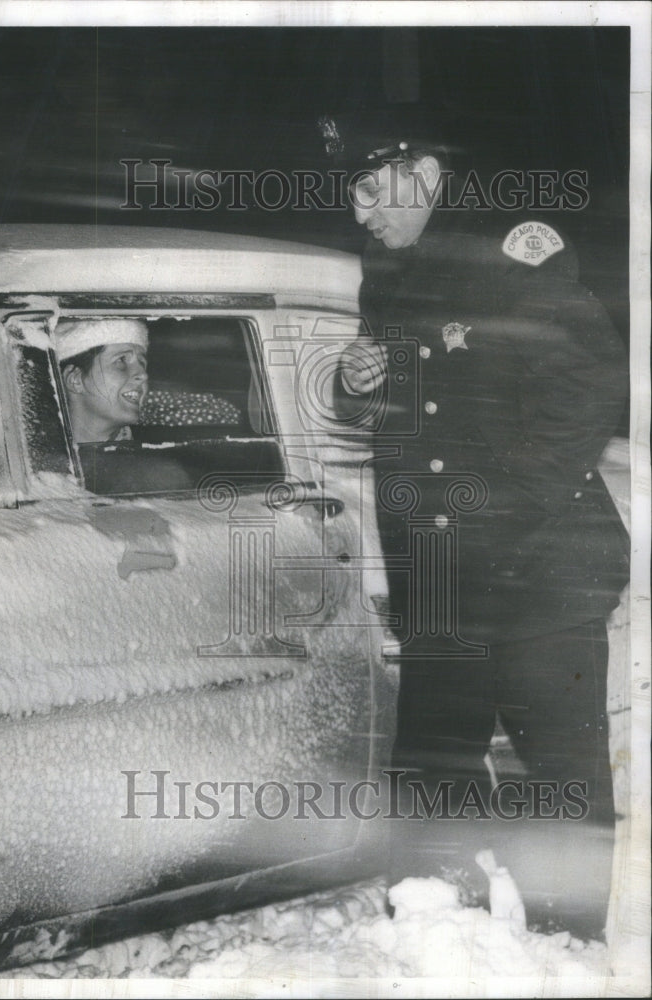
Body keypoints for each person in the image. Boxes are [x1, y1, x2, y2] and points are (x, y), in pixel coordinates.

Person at [329, 123, 630, 937]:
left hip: (539, 568)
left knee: (556, 776)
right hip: (441, 571)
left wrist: (492, 511)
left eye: (366, 191)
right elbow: (398, 404)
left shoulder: (513, 250)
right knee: (434, 764)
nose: (359, 215)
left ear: (420, 175)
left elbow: (589, 388)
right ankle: (440, 937)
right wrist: (357, 384)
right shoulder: (388, 271)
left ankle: (566, 951)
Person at [54, 316, 149, 444]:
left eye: (142, 363)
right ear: (75, 380)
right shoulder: (26, 458)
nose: (143, 375)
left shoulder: (149, 460)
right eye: (121, 360)